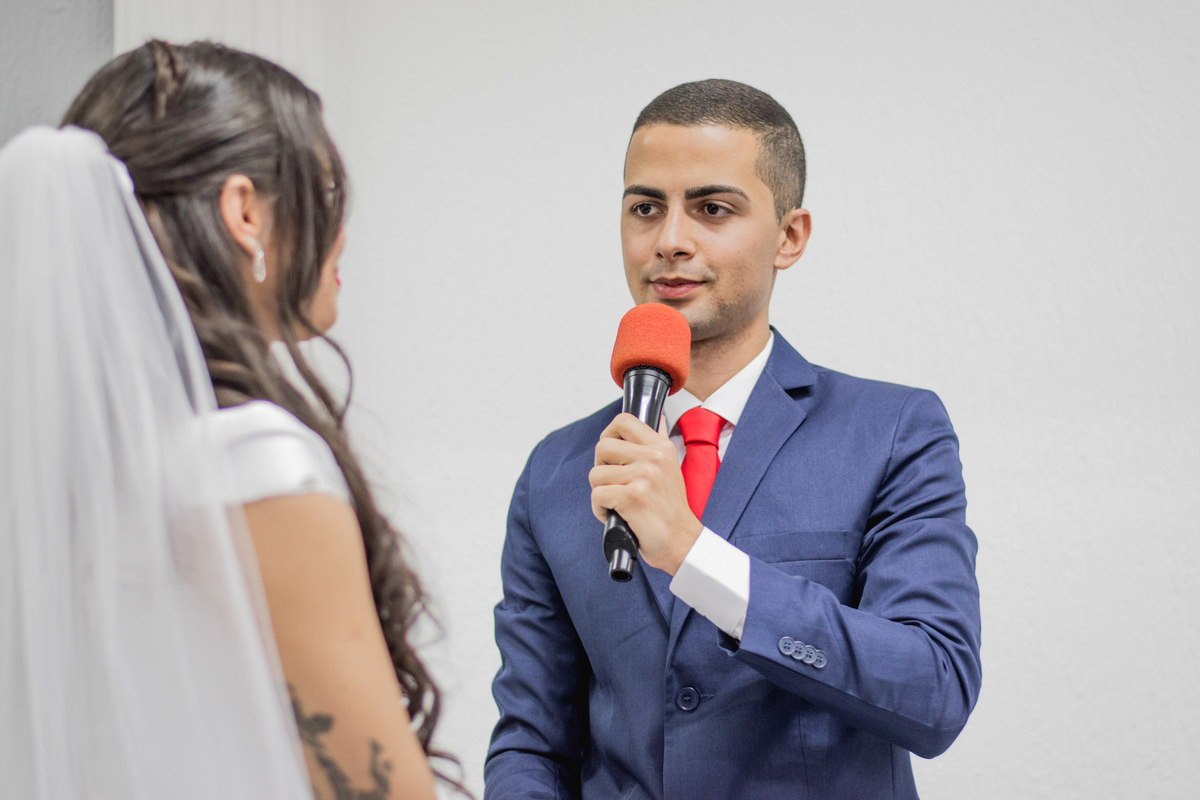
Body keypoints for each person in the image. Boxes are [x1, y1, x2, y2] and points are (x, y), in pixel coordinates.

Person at [486, 79, 982, 799]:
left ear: (790, 237)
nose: (670, 241)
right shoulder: (558, 469)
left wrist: (693, 554)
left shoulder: (892, 432)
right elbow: (531, 742)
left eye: (712, 208)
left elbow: (934, 691)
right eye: (645, 208)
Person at [0, 41, 454, 799]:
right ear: (245, 212)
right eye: (326, 190)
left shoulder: (59, 478)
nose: (341, 231)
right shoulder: (251, 462)